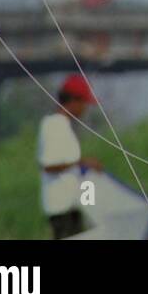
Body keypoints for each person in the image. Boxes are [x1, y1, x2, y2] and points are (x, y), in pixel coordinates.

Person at [37, 74, 102, 239]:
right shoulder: (53, 125)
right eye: (83, 103)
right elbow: (48, 165)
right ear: (73, 101)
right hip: (61, 208)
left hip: (74, 207)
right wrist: (82, 163)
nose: (85, 109)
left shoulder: (65, 126)